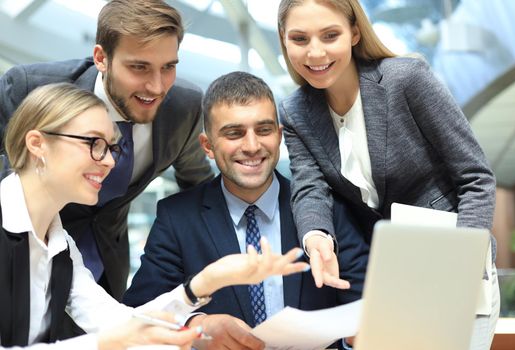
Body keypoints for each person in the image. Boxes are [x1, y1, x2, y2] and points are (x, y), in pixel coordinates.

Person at [0, 82, 308, 349]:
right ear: (37, 144)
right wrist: (103, 345)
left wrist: (204, 283)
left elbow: (117, 321)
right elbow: (114, 336)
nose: (108, 161)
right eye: (94, 143)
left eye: (111, 148)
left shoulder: (59, 243)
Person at [276, 0, 499, 349]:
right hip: (392, 279)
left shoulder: (405, 79)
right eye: (300, 39)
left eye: (330, 35)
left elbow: (476, 178)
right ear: (284, 40)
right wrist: (316, 238)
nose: (315, 52)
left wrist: (462, 263)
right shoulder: (295, 111)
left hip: (455, 265)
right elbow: (309, 188)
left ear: (353, 32)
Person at [123, 71, 369, 350]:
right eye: (234, 133)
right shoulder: (177, 219)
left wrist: (354, 340)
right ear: (208, 146)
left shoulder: (328, 211)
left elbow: (364, 307)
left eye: (263, 130)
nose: (252, 146)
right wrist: (195, 326)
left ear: (279, 136)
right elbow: (138, 314)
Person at [0, 0, 214, 301]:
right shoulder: (28, 89)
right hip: (19, 256)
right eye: (139, 67)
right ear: (101, 57)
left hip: (105, 269)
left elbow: (197, 190)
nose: (156, 86)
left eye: (168, 67)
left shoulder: (183, 108)